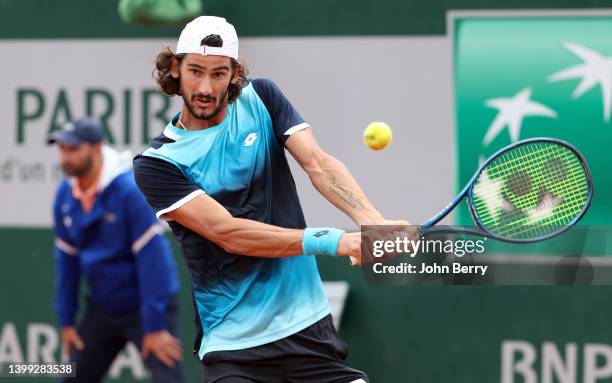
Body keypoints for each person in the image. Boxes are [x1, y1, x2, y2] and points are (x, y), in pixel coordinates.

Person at [134, 15, 409, 383]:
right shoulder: (159, 163)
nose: (205, 86)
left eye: (218, 73)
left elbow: (319, 164)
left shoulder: (261, 98)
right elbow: (228, 233)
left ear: (234, 74)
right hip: (234, 347)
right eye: (195, 71)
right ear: (174, 68)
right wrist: (337, 241)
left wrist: (371, 222)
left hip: (308, 332)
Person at [49, 117, 186, 383]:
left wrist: (155, 325)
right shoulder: (64, 196)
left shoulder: (128, 191)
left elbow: (152, 261)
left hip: (148, 306)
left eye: (73, 149)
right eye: (62, 149)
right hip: (102, 307)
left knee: (168, 379)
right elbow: (67, 263)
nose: (66, 157)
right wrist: (66, 321)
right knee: (72, 376)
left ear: (97, 148)